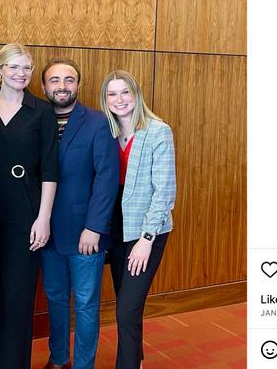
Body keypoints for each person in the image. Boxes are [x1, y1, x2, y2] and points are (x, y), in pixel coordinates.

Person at [0, 43, 59, 369]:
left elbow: (50, 170)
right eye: (14, 67)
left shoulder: (42, 112)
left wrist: (43, 218)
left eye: (27, 68)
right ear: (1, 70)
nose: (21, 74)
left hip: (25, 215)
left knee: (17, 296)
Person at [39, 58, 119, 369]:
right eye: (55, 80)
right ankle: (58, 358)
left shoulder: (98, 123)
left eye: (69, 80)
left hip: (85, 234)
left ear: (78, 85)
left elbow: (106, 178)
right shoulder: (37, 120)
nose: (62, 86)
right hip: (46, 234)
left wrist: (94, 227)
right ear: (44, 86)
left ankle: (84, 365)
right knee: (56, 299)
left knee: (85, 305)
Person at [100, 70, 176, 369]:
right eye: (112, 94)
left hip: (146, 230)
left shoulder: (158, 131)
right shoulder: (107, 132)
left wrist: (146, 239)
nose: (119, 99)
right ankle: (137, 360)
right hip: (116, 228)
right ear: (105, 99)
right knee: (126, 304)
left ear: (136, 94)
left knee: (127, 309)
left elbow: (164, 192)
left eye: (125, 92)